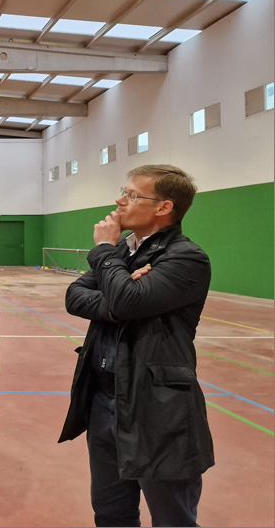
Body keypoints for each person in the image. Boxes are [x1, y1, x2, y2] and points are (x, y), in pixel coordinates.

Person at [59, 164, 214, 527]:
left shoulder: (185, 258)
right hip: (103, 401)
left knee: (172, 518)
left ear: (164, 208)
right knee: (111, 514)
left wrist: (103, 252)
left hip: (157, 410)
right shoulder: (125, 252)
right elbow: (75, 296)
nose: (119, 200)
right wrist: (122, 290)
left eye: (131, 194)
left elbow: (125, 301)